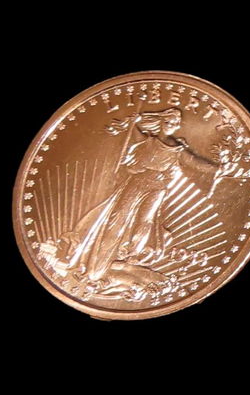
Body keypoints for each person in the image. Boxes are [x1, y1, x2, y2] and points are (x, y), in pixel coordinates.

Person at [53, 108, 228, 285]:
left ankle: (131, 257)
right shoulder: (148, 142)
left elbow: (196, 163)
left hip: (157, 187)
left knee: (145, 221)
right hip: (136, 183)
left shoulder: (178, 149)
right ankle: (99, 259)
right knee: (118, 219)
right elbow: (134, 131)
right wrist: (135, 119)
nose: (172, 126)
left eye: (176, 123)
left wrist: (218, 168)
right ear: (160, 122)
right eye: (168, 122)